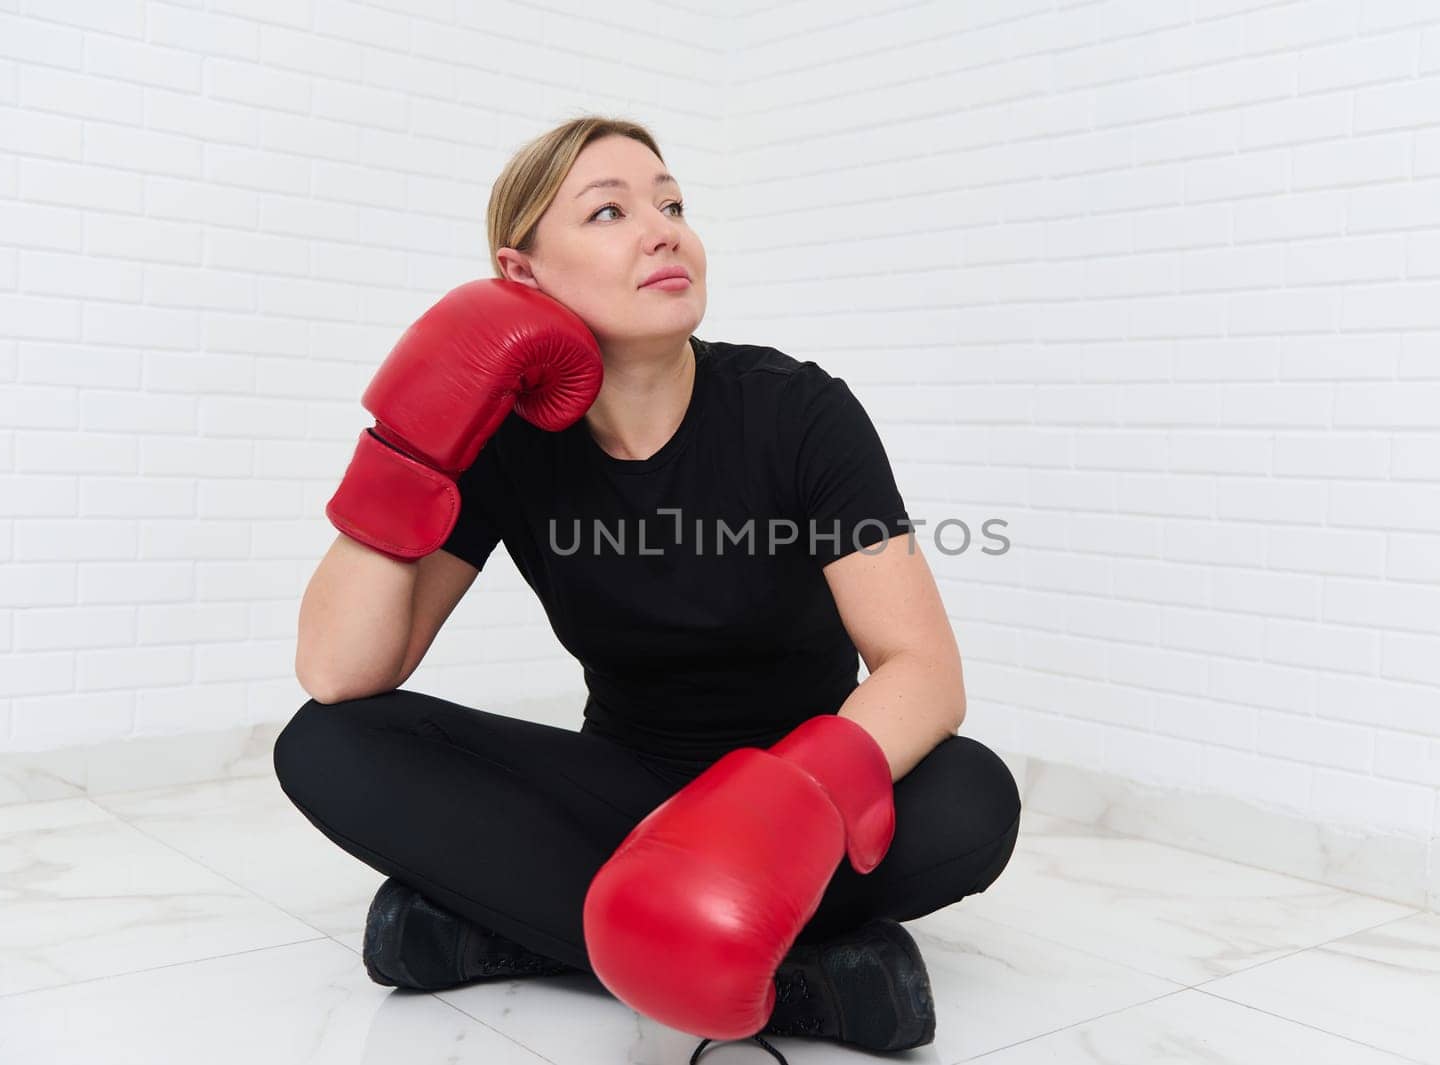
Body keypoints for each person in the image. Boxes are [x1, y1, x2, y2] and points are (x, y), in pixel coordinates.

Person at [274, 116, 1022, 1064]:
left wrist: (774, 813)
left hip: (796, 801)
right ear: (522, 275)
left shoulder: (798, 410)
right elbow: (340, 669)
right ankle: (796, 981)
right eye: (610, 211)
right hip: (625, 796)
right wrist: (411, 444)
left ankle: (512, 933)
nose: (662, 228)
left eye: (672, 204)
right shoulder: (506, 438)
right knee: (327, 743)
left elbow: (922, 670)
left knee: (972, 794)